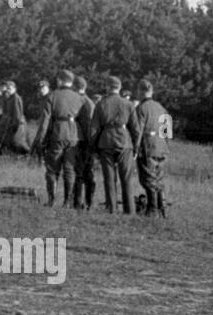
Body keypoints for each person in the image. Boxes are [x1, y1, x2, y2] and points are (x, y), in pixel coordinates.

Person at [31, 70, 84, 207]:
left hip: (58, 133)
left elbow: (45, 121)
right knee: (69, 170)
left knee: (52, 168)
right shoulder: (79, 97)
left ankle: (52, 200)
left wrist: (40, 139)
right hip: (74, 135)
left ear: (60, 80)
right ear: (71, 82)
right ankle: (67, 201)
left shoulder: (53, 95)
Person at [91, 76, 137, 213]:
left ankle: (111, 208)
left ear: (107, 87)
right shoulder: (129, 105)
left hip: (106, 142)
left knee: (109, 178)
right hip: (124, 142)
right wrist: (136, 146)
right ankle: (130, 210)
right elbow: (136, 128)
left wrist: (93, 147)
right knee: (126, 178)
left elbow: (94, 128)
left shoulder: (101, 104)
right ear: (119, 87)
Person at [131, 79, 170, 217]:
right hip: (162, 147)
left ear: (140, 92)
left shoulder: (140, 109)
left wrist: (135, 149)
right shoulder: (161, 107)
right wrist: (165, 146)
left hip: (147, 147)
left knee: (147, 179)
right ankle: (162, 207)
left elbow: (138, 131)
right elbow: (168, 132)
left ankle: (152, 209)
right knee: (159, 178)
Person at [73, 75, 97, 209]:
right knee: (85, 173)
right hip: (86, 141)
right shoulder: (88, 101)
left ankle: (81, 202)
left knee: (82, 173)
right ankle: (86, 202)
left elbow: (88, 125)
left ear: (75, 86)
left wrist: (89, 144)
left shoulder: (82, 101)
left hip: (83, 142)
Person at [0, 80, 30, 156]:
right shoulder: (10, 98)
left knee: (18, 142)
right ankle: (1, 155)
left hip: (18, 124)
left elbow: (17, 113)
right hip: (12, 122)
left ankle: (29, 155)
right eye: (7, 88)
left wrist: (15, 125)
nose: (8, 90)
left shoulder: (15, 98)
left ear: (15, 88)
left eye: (10, 88)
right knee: (8, 141)